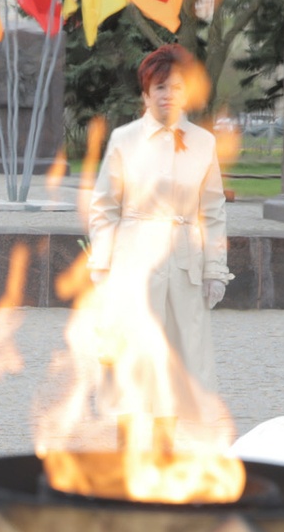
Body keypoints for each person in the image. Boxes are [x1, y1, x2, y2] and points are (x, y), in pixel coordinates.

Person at [87, 45, 231, 413]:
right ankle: (129, 447)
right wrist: (102, 266)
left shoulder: (203, 142)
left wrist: (215, 270)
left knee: (181, 365)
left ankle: (170, 453)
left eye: (177, 87)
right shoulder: (125, 138)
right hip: (135, 265)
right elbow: (104, 206)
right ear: (146, 93)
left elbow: (212, 211)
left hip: (185, 267)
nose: (168, 95)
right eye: (160, 88)